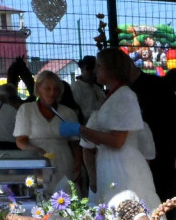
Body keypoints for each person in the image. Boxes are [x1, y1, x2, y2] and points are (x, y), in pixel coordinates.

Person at [64, 49, 160, 211]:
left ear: (111, 69)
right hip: (112, 164)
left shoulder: (124, 95)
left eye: (99, 66)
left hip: (122, 166)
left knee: (127, 211)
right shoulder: (113, 95)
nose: (95, 70)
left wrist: (81, 130)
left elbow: (117, 141)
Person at [127, 55, 176, 220]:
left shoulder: (148, 87)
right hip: (162, 151)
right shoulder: (154, 83)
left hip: (159, 152)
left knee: (162, 198)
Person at [14, 70, 81, 194]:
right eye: (47, 88)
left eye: (56, 89)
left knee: (64, 196)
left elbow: (75, 143)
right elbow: (20, 141)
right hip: (37, 162)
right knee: (40, 195)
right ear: (38, 89)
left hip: (63, 161)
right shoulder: (26, 110)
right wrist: (37, 150)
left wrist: (77, 165)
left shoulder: (68, 113)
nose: (52, 92)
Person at [71, 55, 105, 123]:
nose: (91, 72)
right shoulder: (76, 87)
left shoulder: (97, 88)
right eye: (88, 68)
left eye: (93, 68)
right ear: (82, 68)